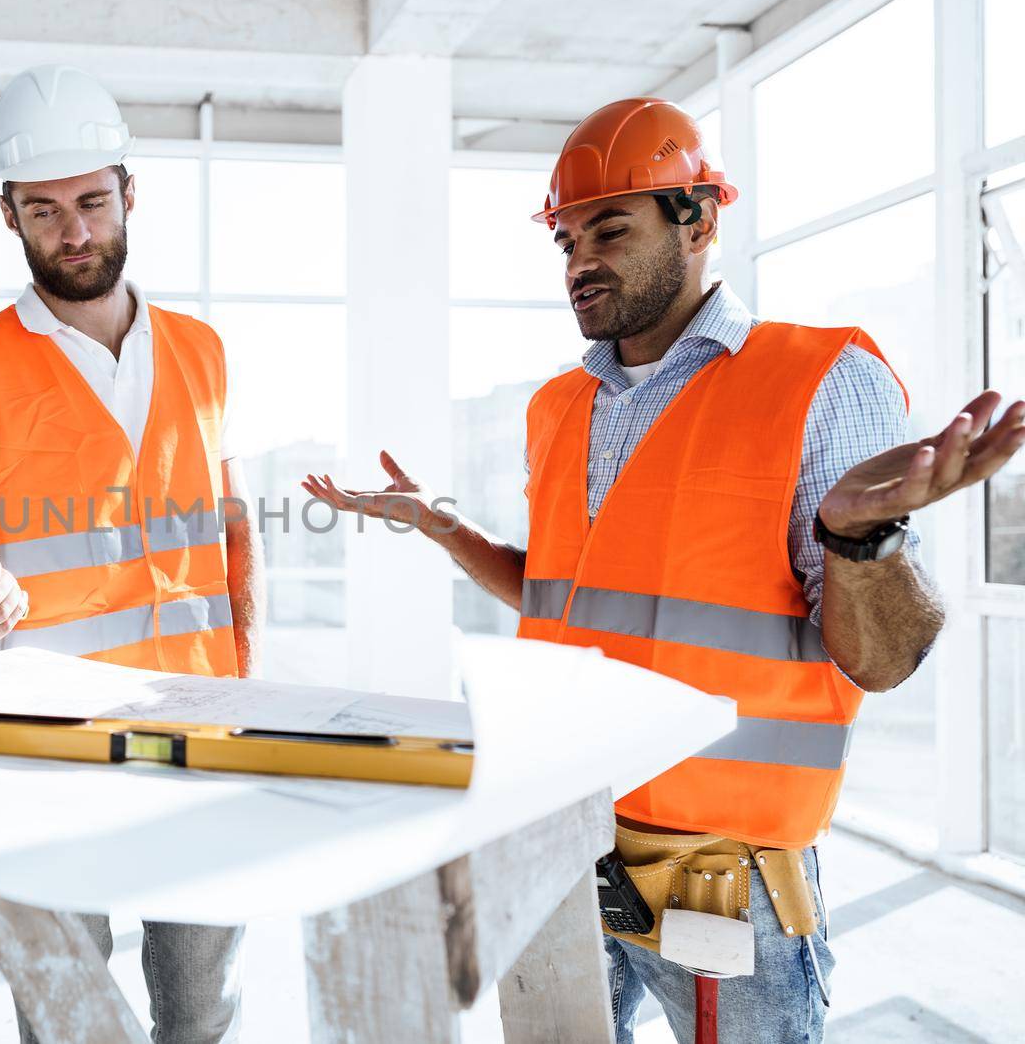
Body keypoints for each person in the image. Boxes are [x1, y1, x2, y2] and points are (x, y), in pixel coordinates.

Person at [303, 97, 1025, 1043]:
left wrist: (860, 540)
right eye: (565, 240)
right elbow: (572, 600)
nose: (579, 262)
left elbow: (883, 658)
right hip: (560, 843)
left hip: (724, 889)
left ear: (701, 221)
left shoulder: (819, 378)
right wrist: (446, 528)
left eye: (611, 229)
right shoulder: (560, 405)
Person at [0, 64, 260, 1044]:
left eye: (93, 200)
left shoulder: (202, 349)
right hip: (51, 746)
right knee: (72, 1017)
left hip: (202, 730)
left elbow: (229, 529)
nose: (75, 230)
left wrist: (254, 687)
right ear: (7, 213)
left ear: (129, 194)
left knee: (204, 1009)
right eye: (44, 208)